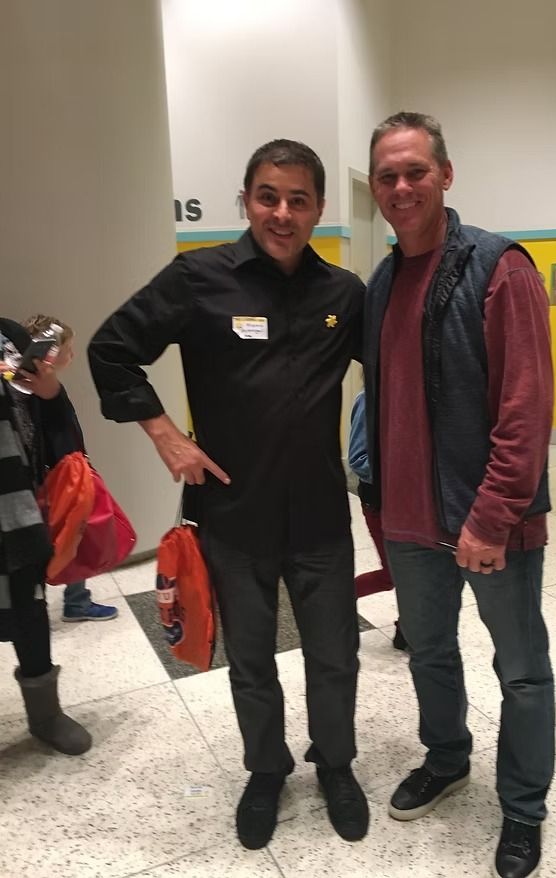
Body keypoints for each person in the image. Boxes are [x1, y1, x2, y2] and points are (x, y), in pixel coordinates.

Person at [88, 140, 369, 849]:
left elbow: (397, 373)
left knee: (335, 654)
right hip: (234, 516)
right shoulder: (198, 278)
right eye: (268, 196)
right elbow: (111, 350)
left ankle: (336, 764)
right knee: (250, 658)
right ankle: (266, 771)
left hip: (319, 516)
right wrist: (165, 436)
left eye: (298, 199)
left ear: (319, 209)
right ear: (245, 200)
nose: (282, 213)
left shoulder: (344, 294)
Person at [363, 113, 554, 878]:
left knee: (522, 670)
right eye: (387, 176)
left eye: (415, 171)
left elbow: (526, 410)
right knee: (430, 654)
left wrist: (492, 516)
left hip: (490, 524)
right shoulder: (382, 283)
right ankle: (446, 759)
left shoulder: (501, 267)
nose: (401, 187)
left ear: (445, 174)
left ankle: (524, 809)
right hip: (410, 522)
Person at [0, 318, 92, 756]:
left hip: (19, 509)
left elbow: (59, 434)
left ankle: (45, 715)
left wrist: (50, 391)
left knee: (30, 611)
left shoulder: (9, 339)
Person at [23, 315, 118, 623]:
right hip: (63, 476)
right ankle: (76, 602)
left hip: (49, 475)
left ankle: (54, 603)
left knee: (65, 535)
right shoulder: (46, 387)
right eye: (68, 349)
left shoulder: (23, 388)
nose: (72, 355)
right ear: (49, 354)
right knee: (74, 534)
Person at [347, 389, 405, 650]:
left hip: (413, 507)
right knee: (392, 574)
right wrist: (407, 470)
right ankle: (337, 600)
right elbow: (358, 460)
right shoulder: (368, 399)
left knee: (413, 574)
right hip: (379, 504)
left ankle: (407, 628)